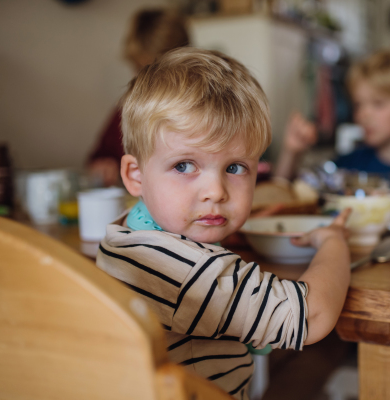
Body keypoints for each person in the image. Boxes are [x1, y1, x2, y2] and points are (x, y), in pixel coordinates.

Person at [95, 48, 352, 398]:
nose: (215, 192)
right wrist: (334, 241)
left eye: (234, 168)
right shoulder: (186, 272)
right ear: (135, 175)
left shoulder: (127, 231)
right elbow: (313, 316)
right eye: (184, 165)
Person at [275, 49, 390, 209]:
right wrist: (291, 152)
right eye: (358, 105)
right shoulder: (348, 166)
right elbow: (284, 199)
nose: (363, 115)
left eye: (378, 103)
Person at [87, 8, 190, 187]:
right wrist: (104, 164)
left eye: (161, 72)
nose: (150, 82)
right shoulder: (127, 109)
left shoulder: (204, 108)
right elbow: (101, 155)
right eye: (141, 70)